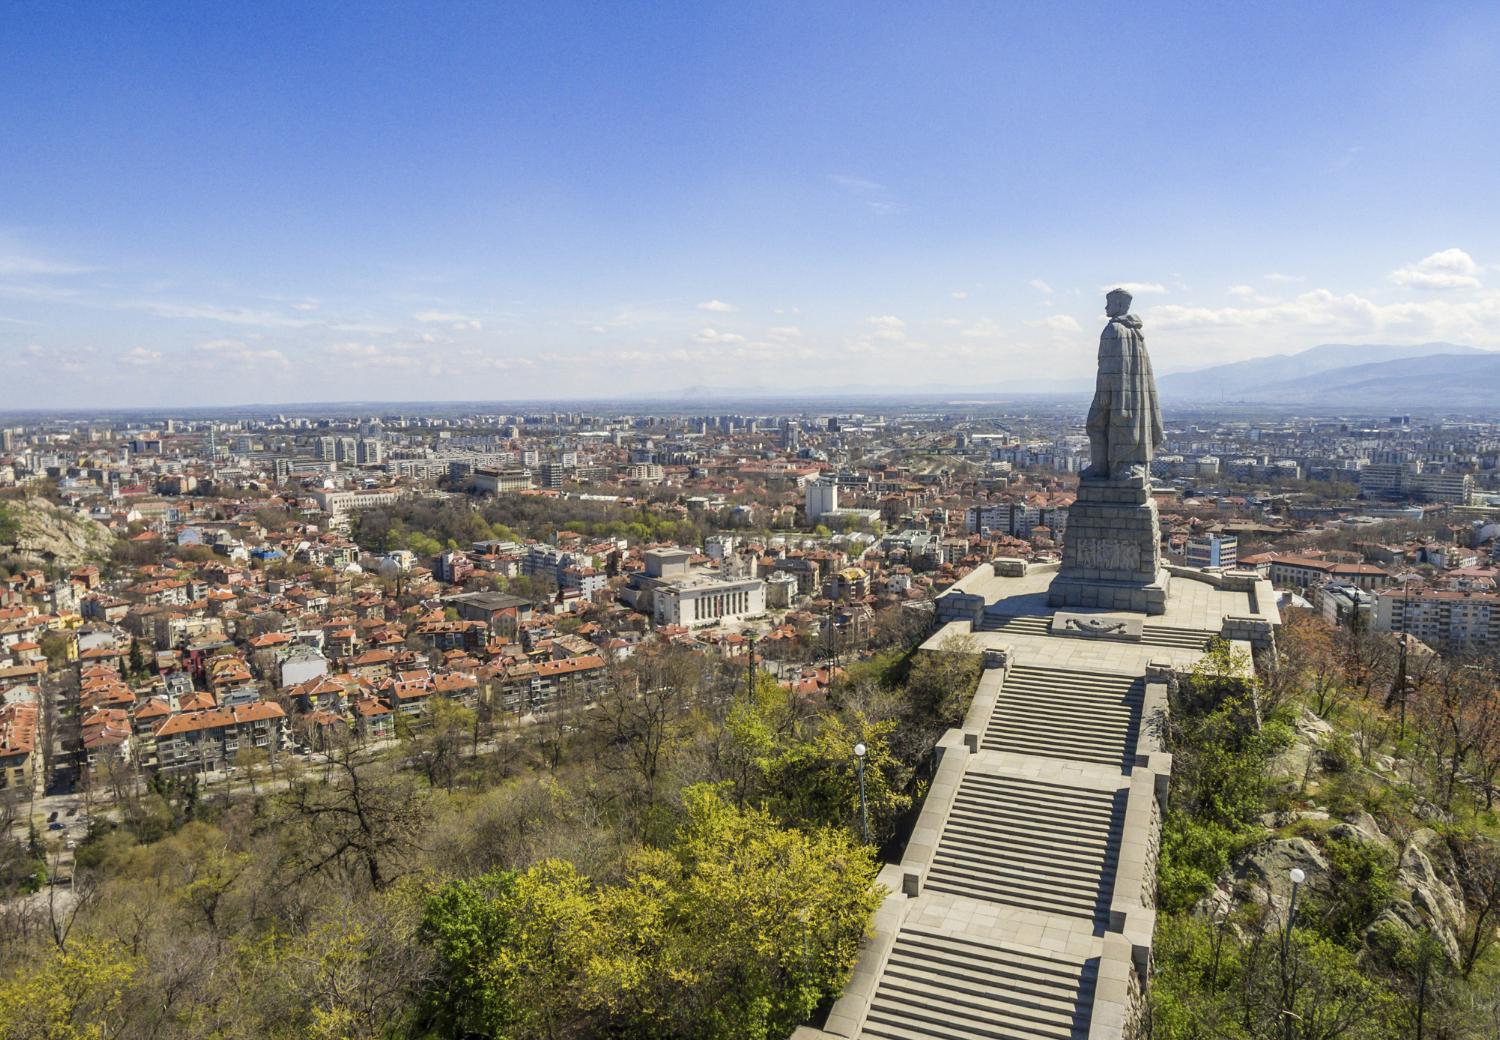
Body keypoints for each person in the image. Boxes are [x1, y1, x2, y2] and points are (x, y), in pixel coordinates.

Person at [1083, 288, 1165, 481]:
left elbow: (1109, 365)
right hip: (1133, 393)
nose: (1105, 307)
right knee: (1129, 424)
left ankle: (1105, 466)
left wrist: (1105, 391)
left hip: (1115, 390)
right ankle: (1126, 465)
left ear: (1119, 305)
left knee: (1096, 424)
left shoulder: (1114, 329)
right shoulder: (1135, 331)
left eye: (1109, 303)